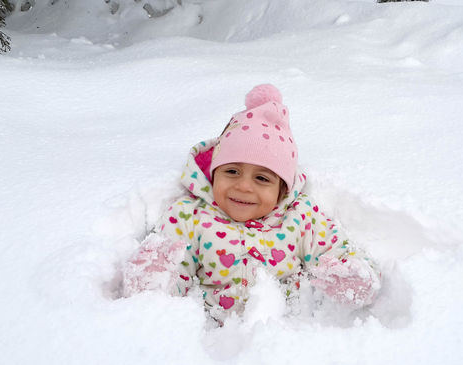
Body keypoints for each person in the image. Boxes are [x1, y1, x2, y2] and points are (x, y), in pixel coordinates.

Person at [122, 84, 380, 321]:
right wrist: (152, 282)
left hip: (289, 337)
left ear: (282, 188)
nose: (244, 186)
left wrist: (352, 280)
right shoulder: (191, 216)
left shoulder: (300, 216)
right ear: (214, 174)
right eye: (232, 171)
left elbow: (338, 252)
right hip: (215, 336)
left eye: (261, 178)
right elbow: (173, 272)